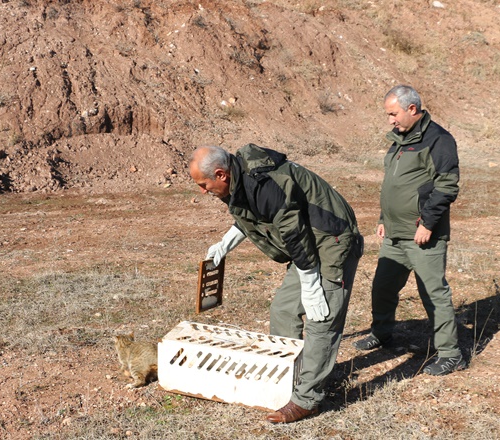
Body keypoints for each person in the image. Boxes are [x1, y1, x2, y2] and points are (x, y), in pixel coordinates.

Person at [189, 144, 363, 423]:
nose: (202, 191)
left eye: (203, 184)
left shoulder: (264, 183)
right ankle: (287, 377)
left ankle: (308, 399)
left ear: (220, 174)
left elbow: (293, 232)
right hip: (307, 245)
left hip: (331, 239)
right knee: (283, 309)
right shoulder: (240, 179)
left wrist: (311, 285)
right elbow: (256, 214)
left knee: (322, 318)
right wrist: (225, 244)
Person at [352, 84, 466, 376]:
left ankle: (451, 354)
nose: (390, 120)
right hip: (395, 233)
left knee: (433, 294)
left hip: (422, 234)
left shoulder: (439, 140)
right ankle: (382, 333)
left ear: (412, 109)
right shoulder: (400, 139)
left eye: (394, 114)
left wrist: (428, 223)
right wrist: (383, 217)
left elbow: (446, 185)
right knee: (383, 287)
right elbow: (394, 185)